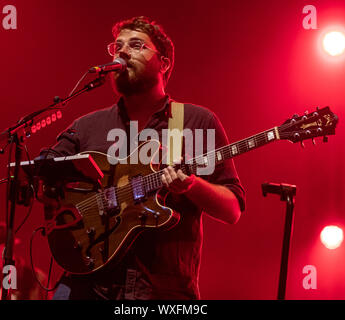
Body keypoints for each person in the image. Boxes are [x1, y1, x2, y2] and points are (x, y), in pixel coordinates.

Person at [40, 16, 246, 300]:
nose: (122, 52)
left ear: (164, 64)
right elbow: (44, 173)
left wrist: (191, 186)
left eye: (136, 45)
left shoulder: (196, 121)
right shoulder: (87, 126)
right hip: (86, 282)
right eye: (117, 47)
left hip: (161, 290)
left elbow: (232, 209)